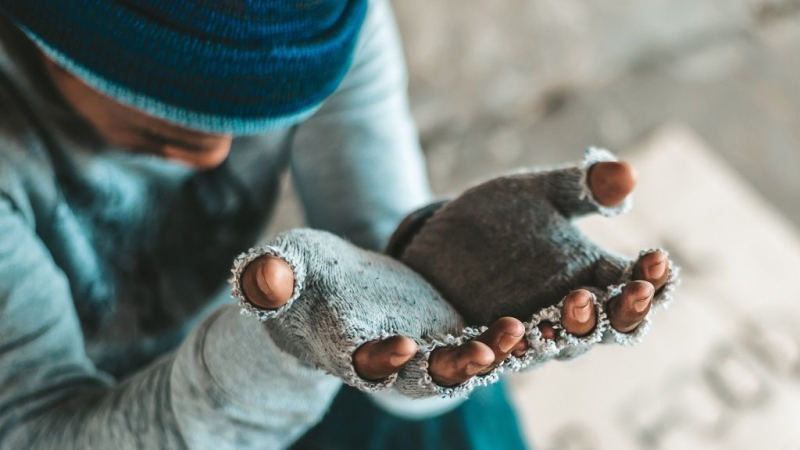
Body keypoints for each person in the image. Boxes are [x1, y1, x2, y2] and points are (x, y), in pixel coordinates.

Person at [0, 1, 663, 448]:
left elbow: (391, 282)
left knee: (461, 422)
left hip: (223, 360)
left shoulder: (324, 20)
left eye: (267, 115)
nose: (219, 154)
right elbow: (38, 428)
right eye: (165, 126)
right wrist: (283, 345)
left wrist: (440, 278)